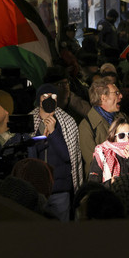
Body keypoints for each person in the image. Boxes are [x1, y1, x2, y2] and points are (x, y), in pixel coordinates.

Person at [30, 83, 84, 221]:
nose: (49, 98)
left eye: (53, 96)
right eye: (45, 95)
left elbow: (68, 156)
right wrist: (43, 135)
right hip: (37, 189)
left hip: (60, 189)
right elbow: (29, 154)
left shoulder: (67, 122)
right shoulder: (30, 121)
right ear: (39, 99)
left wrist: (53, 132)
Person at [79, 77, 123, 175]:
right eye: (116, 93)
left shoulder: (121, 118)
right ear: (103, 98)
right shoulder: (87, 126)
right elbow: (93, 162)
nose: (121, 96)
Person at [88, 115, 129, 184]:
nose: (127, 139)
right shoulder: (102, 154)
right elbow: (92, 186)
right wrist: (110, 183)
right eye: (121, 135)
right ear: (114, 137)